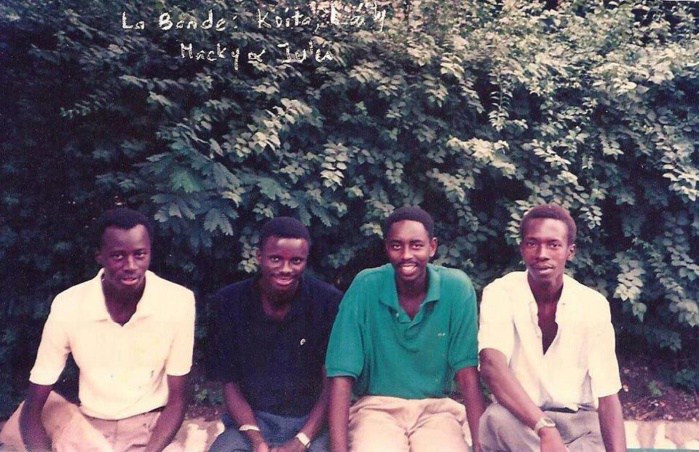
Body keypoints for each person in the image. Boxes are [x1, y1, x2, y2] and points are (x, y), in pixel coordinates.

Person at [16, 207, 196, 451]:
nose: (131, 265)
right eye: (118, 256)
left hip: (151, 430)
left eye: (140, 254)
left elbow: (177, 400)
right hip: (88, 430)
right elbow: (33, 406)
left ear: (150, 253)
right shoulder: (69, 305)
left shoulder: (178, 301)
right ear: (99, 256)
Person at [325, 206, 485, 452]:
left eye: (416, 245)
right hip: (376, 408)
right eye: (396, 245)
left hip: (437, 410)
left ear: (432, 247)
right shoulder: (366, 286)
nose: (406, 255)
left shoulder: (456, 288)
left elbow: (467, 374)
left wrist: (480, 446)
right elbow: (340, 374)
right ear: (386, 247)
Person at [478, 203, 626, 452]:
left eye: (553, 244)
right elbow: (492, 366)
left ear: (570, 251)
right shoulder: (500, 293)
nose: (541, 253)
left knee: (593, 437)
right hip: (521, 420)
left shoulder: (592, 305)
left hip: (579, 425)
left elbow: (608, 396)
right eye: (532, 243)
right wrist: (544, 428)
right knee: (495, 420)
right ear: (522, 248)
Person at [209, 217, 342, 452]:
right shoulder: (229, 302)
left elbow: (331, 383)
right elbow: (230, 384)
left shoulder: (327, 302)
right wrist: (257, 441)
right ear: (259, 257)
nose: (285, 269)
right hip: (250, 422)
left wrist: (302, 440)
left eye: (296, 261)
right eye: (276, 259)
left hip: (311, 423)